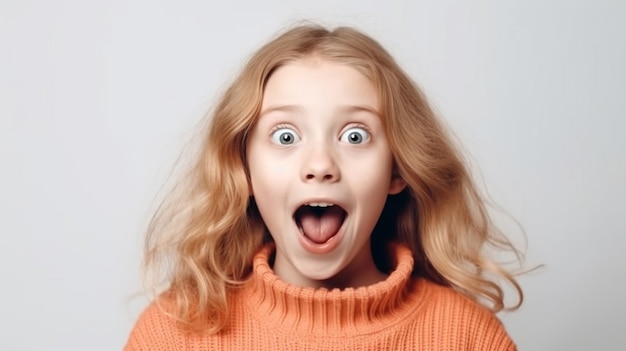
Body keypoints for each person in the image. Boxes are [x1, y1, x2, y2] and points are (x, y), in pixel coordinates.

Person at [124, 23, 525, 350]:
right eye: (285, 137)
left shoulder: (466, 338)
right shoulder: (172, 334)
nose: (319, 166)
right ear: (243, 170)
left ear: (398, 170)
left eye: (354, 136)